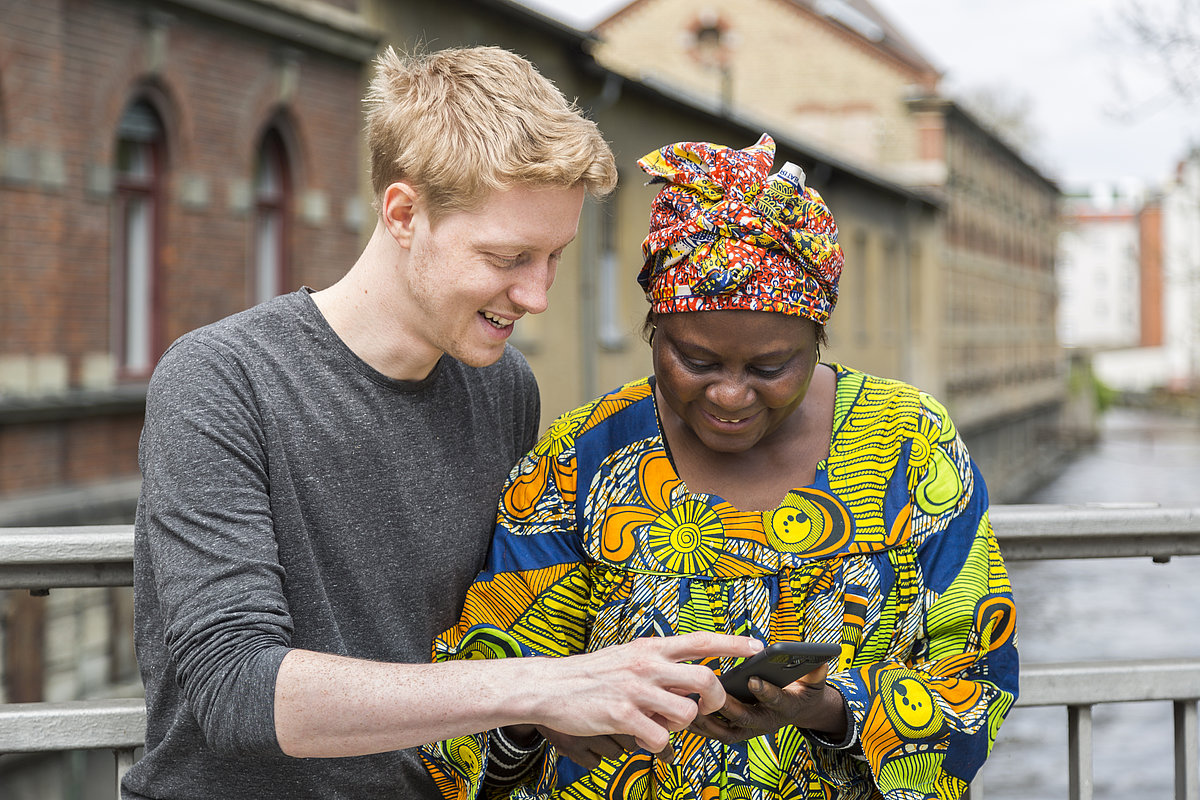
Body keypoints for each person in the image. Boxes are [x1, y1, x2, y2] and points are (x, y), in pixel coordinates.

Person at [123, 46, 763, 800]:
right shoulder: (221, 378)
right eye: (508, 256)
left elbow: (505, 636)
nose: (537, 295)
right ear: (403, 213)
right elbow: (236, 690)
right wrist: (539, 687)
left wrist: (595, 694)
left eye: (554, 256)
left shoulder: (503, 387)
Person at [422, 134, 1019, 799]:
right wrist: (542, 720)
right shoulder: (584, 459)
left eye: (771, 367)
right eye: (696, 361)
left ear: (817, 337)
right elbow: (483, 684)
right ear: (655, 330)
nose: (731, 396)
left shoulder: (908, 447)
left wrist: (828, 708)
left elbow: (977, 680)